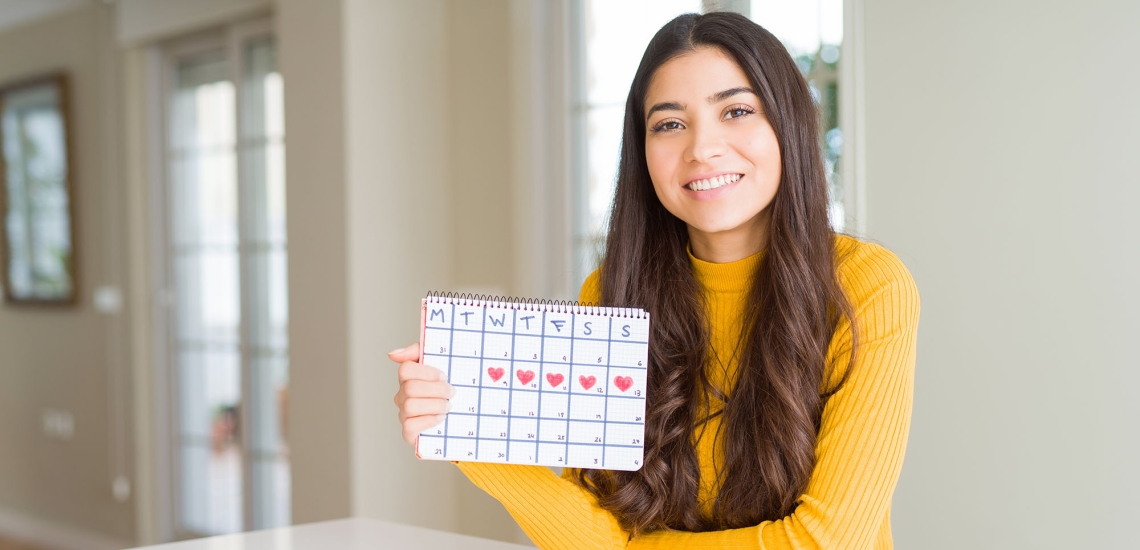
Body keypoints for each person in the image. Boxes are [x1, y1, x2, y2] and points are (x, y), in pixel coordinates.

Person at [389, 11, 919, 549]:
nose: (701, 148)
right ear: (642, 152)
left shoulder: (866, 287)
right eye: (669, 123)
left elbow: (828, 541)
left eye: (735, 111)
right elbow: (593, 529)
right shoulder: (610, 296)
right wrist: (465, 432)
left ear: (788, 124)